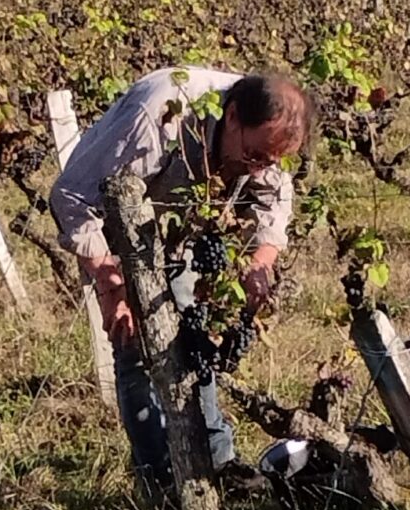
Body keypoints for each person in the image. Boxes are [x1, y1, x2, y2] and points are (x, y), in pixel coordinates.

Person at [49, 66, 312, 487]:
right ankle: (159, 482)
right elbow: (71, 196)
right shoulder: (158, 116)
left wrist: (260, 264)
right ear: (231, 119)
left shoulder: (265, 132)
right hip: (123, 231)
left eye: (272, 160)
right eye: (256, 157)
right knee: (135, 349)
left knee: (194, 339)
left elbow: (273, 198)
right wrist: (110, 285)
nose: (261, 169)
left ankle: (218, 463)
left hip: (185, 231)